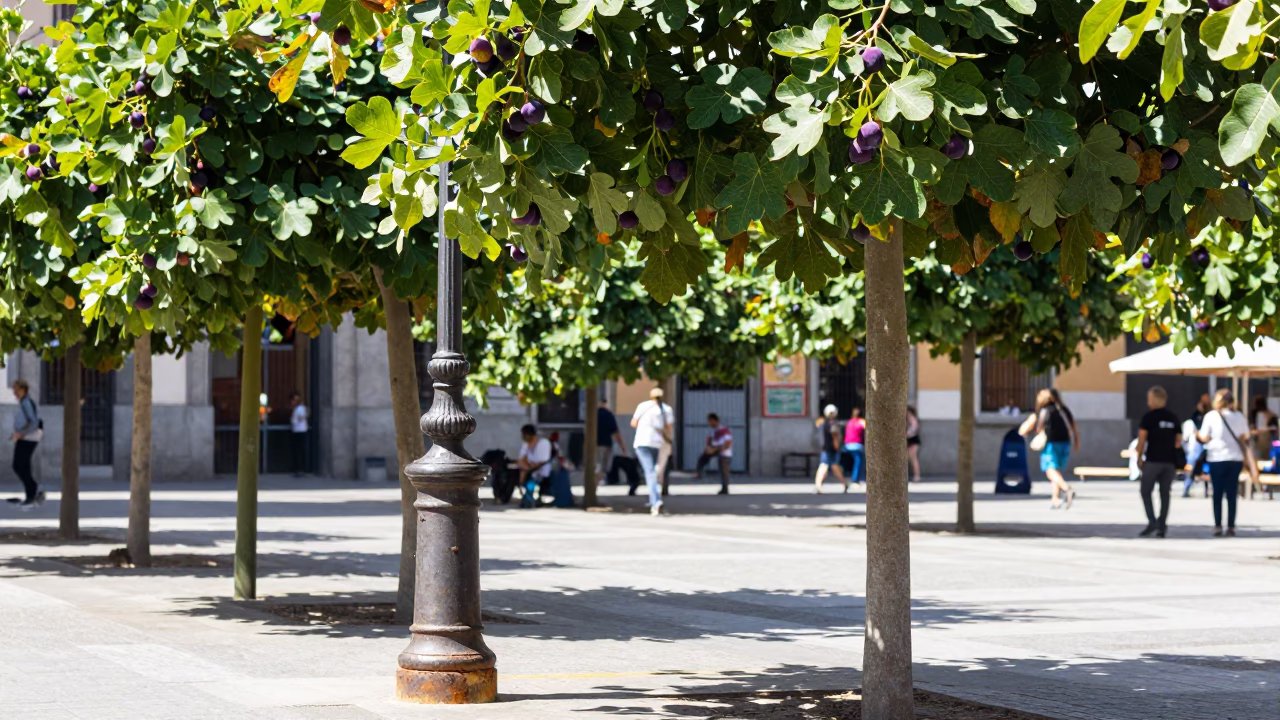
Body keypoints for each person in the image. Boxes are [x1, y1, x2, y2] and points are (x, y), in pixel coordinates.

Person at [1197, 389, 1254, 537]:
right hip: (1235, 458)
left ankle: (1217, 525)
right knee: (1231, 493)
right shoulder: (1239, 416)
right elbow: (1245, 435)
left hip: (1216, 458)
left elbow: (1204, 437)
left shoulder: (1211, 416)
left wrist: (1196, 434)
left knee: (1217, 492)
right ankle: (1231, 526)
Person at [1019, 388, 1079, 509]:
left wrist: (1027, 433)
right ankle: (1055, 499)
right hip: (1065, 442)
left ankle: (1067, 488)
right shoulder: (1064, 410)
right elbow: (1073, 426)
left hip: (1050, 443)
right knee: (1056, 470)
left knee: (1050, 470)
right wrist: (1076, 441)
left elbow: (1029, 428)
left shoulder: (1043, 411)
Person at [1135, 386, 1181, 538]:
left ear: (1154, 399)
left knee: (1145, 491)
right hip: (1169, 462)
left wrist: (1139, 457)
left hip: (1153, 461)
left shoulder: (1148, 417)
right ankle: (1162, 525)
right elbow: (1178, 442)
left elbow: (1141, 441)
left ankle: (1152, 521)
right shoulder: (1173, 418)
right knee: (1165, 493)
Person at [630, 388, 674, 515]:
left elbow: (633, 423)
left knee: (649, 472)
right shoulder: (667, 409)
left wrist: (644, 426)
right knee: (653, 472)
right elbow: (669, 428)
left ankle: (655, 501)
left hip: (642, 442)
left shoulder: (643, 406)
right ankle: (654, 499)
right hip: (657, 443)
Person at [8, 379, 43, 510]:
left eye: (16, 389)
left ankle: (33, 490)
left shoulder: (26, 402)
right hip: (26, 437)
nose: (14, 392)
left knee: (18, 465)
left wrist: (21, 434)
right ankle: (31, 494)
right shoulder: (24, 402)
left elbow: (33, 422)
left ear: (23, 389)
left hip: (28, 438)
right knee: (24, 466)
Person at [694, 413, 734, 494]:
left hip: (723, 450)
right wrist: (708, 447)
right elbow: (710, 440)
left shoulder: (724, 430)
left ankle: (725, 488)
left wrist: (714, 449)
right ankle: (698, 472)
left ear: (715, 421)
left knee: (724, 470)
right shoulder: (713, 431)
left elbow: (728, 443)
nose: (710, 424)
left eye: (711, 421)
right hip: (715, 449)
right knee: (702, 458)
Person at [516, 424, 553, 508]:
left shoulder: (543, 443)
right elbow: (522, 459)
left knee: (530, 481)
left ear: (529, 435)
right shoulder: (526, 445)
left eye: (523, 435)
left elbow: (542, 462)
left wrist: (527, 469)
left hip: (541, 471)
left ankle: (530, 499)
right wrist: (525, 467)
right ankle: (525, 496)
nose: (522, 437)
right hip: (529, 469)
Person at [813, 405, 847, 494]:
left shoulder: (822, 423)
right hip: (831, 449)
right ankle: (819, 486)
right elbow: (835, 435)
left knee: (826, 467)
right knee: (829, 467)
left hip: (827, 448)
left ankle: (819, 486)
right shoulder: (832, 423)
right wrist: (837, 446)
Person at [596, 398, 627, 477]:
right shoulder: (608, 414)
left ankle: (596, 479)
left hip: (594, 443)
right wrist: (622, 446)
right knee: (604, 464)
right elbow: (615, 431)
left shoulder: (592, 414)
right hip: (606, 443)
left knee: (597, 463)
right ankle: (600, 479)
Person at [843, 407, 866, 485]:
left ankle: (852, 476)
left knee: (854, 461)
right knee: (859, 462)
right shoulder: (861, 422)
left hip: (847, 444)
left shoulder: (849, 422)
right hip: (857, 444)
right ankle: (856, 479)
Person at [1250, 396, 1276, 466]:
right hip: (1259, 436)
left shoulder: (1269, 414)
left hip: (1264, 436)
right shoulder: (1255, 413)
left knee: (1264, 453)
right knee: (1259, 453)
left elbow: (1274, 426)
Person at [289, 392, 308, 476]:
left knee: (299, 450)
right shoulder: (296, 409)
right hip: (296, 431)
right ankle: (297, 468)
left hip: (300, 431)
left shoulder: (300, 408)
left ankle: (301, 469)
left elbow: (301, 417)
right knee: (297, 450)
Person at [906, 405, 921, 483]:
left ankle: (917, 476)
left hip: (913, 440)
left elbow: (913, 429)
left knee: (913, 458)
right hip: (911, 440)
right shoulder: (910, 419)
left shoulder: (912, 418)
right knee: (911, 458)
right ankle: (915, 475)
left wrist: (906, 435)